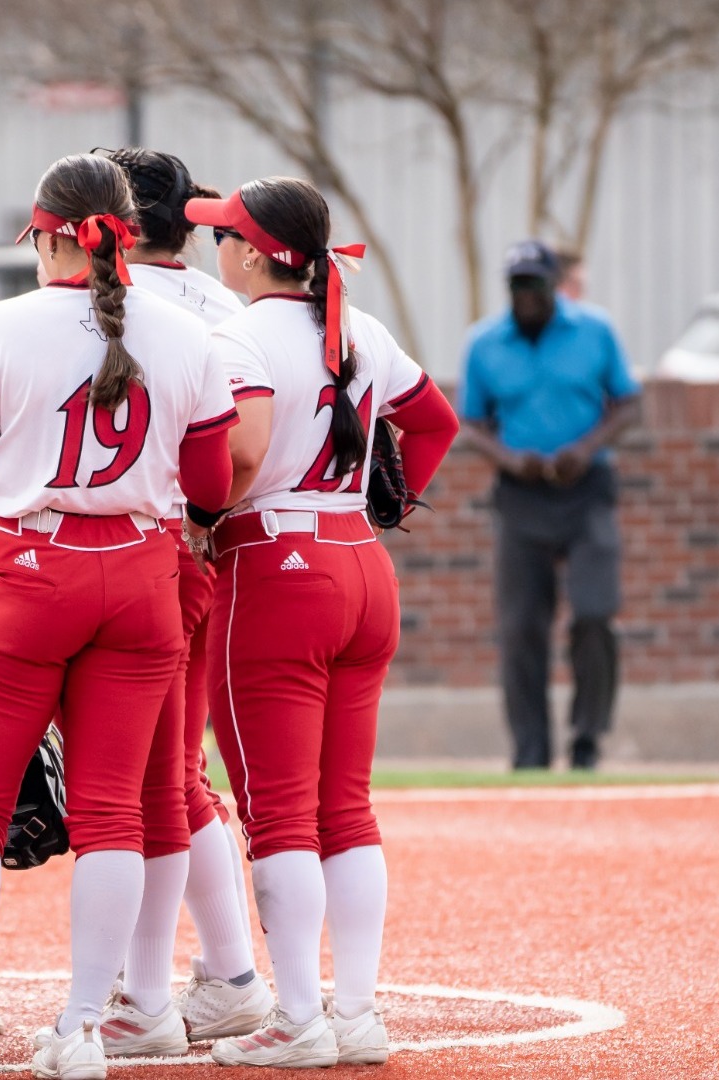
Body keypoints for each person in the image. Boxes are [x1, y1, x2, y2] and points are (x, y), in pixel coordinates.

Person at [0, 153, 237, 1080]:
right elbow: (205, 484)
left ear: (46, 235)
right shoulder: (188, 330)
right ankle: (79, 1029)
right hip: (142, 570)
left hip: (29, 565)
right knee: (113, 811)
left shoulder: (0, 325)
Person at [183, 179, 458, 1068]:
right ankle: (356, 1012)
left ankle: (298, 1018)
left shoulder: (235, 334)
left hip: (272, 567)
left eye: (223, 237)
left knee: (279, 815)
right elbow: (433, 421)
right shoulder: (356, 326)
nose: (211, 249)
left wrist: (197, 518)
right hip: (359, 563)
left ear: (258, 255)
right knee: (344, 808)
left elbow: (242, 453)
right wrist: (389, 499)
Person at [96, 147, 272, 1051]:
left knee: (138, 778)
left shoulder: (117, 307)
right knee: (171, 770)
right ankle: (227, 971)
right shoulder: (226, 307)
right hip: (209, 552)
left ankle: (169, 988)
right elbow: (244, 453)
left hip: (134, 556)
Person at [457, 240, 642, 771]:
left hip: (587, 489)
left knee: (594, 613)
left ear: (554, 284)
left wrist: (584, 449)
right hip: (521, 495)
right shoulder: (485, 342)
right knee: (520, 627)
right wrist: (512, 462)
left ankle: (587, 738)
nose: (527, 295)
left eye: (535, 284)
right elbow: (471, 422)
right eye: (517, 285)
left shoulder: (595, 330)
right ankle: (531, 752)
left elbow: (628, 402)